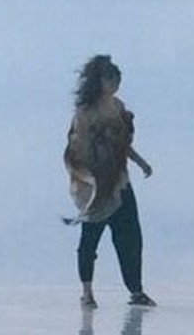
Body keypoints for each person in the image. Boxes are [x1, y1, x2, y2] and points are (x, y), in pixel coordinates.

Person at [63, 54, 155, 307]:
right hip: (96, 185)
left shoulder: (117, 106)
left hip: (120, 182)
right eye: (110, 79)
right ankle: (87, 292)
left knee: (131, 237)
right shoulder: (84, 113)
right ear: (99, 81)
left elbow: (121, 145)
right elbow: (77, 149)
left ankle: (136, 290)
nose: (115, 83)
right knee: (90, 239)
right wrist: (90, 177)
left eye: (117, 79)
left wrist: (140, 162)